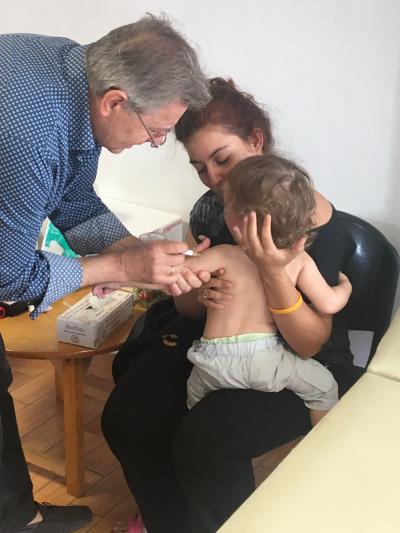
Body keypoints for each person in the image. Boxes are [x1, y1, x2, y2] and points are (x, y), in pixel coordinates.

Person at [102, 78, 360, 533]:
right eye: (200, 167)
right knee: (128, 417)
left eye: (222, 160)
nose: (214, 181)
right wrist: (200, 294)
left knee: (205, 441)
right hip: (216, 346)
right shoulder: (213, 209)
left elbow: (309, 344)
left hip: (296, 358)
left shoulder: (306, 222)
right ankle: (170, 523)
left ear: (256, 141)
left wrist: (272, 272)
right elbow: (188, 309)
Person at [0, 15, 210, 533]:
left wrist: (139, 253)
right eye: (157, 131)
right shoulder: (34, 129)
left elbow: (74, 200)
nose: (156, 143)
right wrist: (121, 266)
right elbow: (9, 279)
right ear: (116, 102)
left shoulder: (77, 74)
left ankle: (18, 517)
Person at [184, 154, 352, 426]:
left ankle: (195, 427)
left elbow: (179, 272)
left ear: (237, 222)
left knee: (193, 406)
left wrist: (191, 255)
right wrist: (345, 286)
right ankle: (321, 443)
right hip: (264, 362)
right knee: (324, 388)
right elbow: (329, 304)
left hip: (208, 361)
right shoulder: (298, 260)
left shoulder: (223, 253)